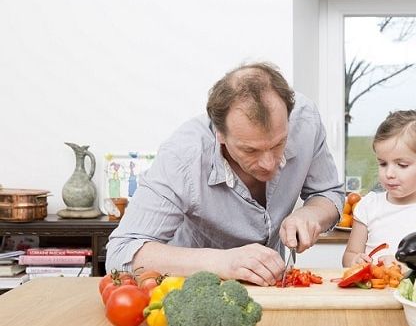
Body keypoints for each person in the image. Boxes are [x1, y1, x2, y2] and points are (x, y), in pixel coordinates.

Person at [106, 62, 344, 286]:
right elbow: (120, 253)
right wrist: (222, 262)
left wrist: (311, 214)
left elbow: (328, 193)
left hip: (268, 289)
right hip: (194, 290)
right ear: (220, 134)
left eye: (278, 143)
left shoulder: (306, 121)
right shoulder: (183, 156)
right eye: (250, 149)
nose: (269, 163)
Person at [342, 110, 416, 267]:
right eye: (382, 163)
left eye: (402, 165)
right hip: (373, 291)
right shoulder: (368, 206)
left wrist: (404, 266)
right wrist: (355, 261)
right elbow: (350, 255)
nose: (388, 173)